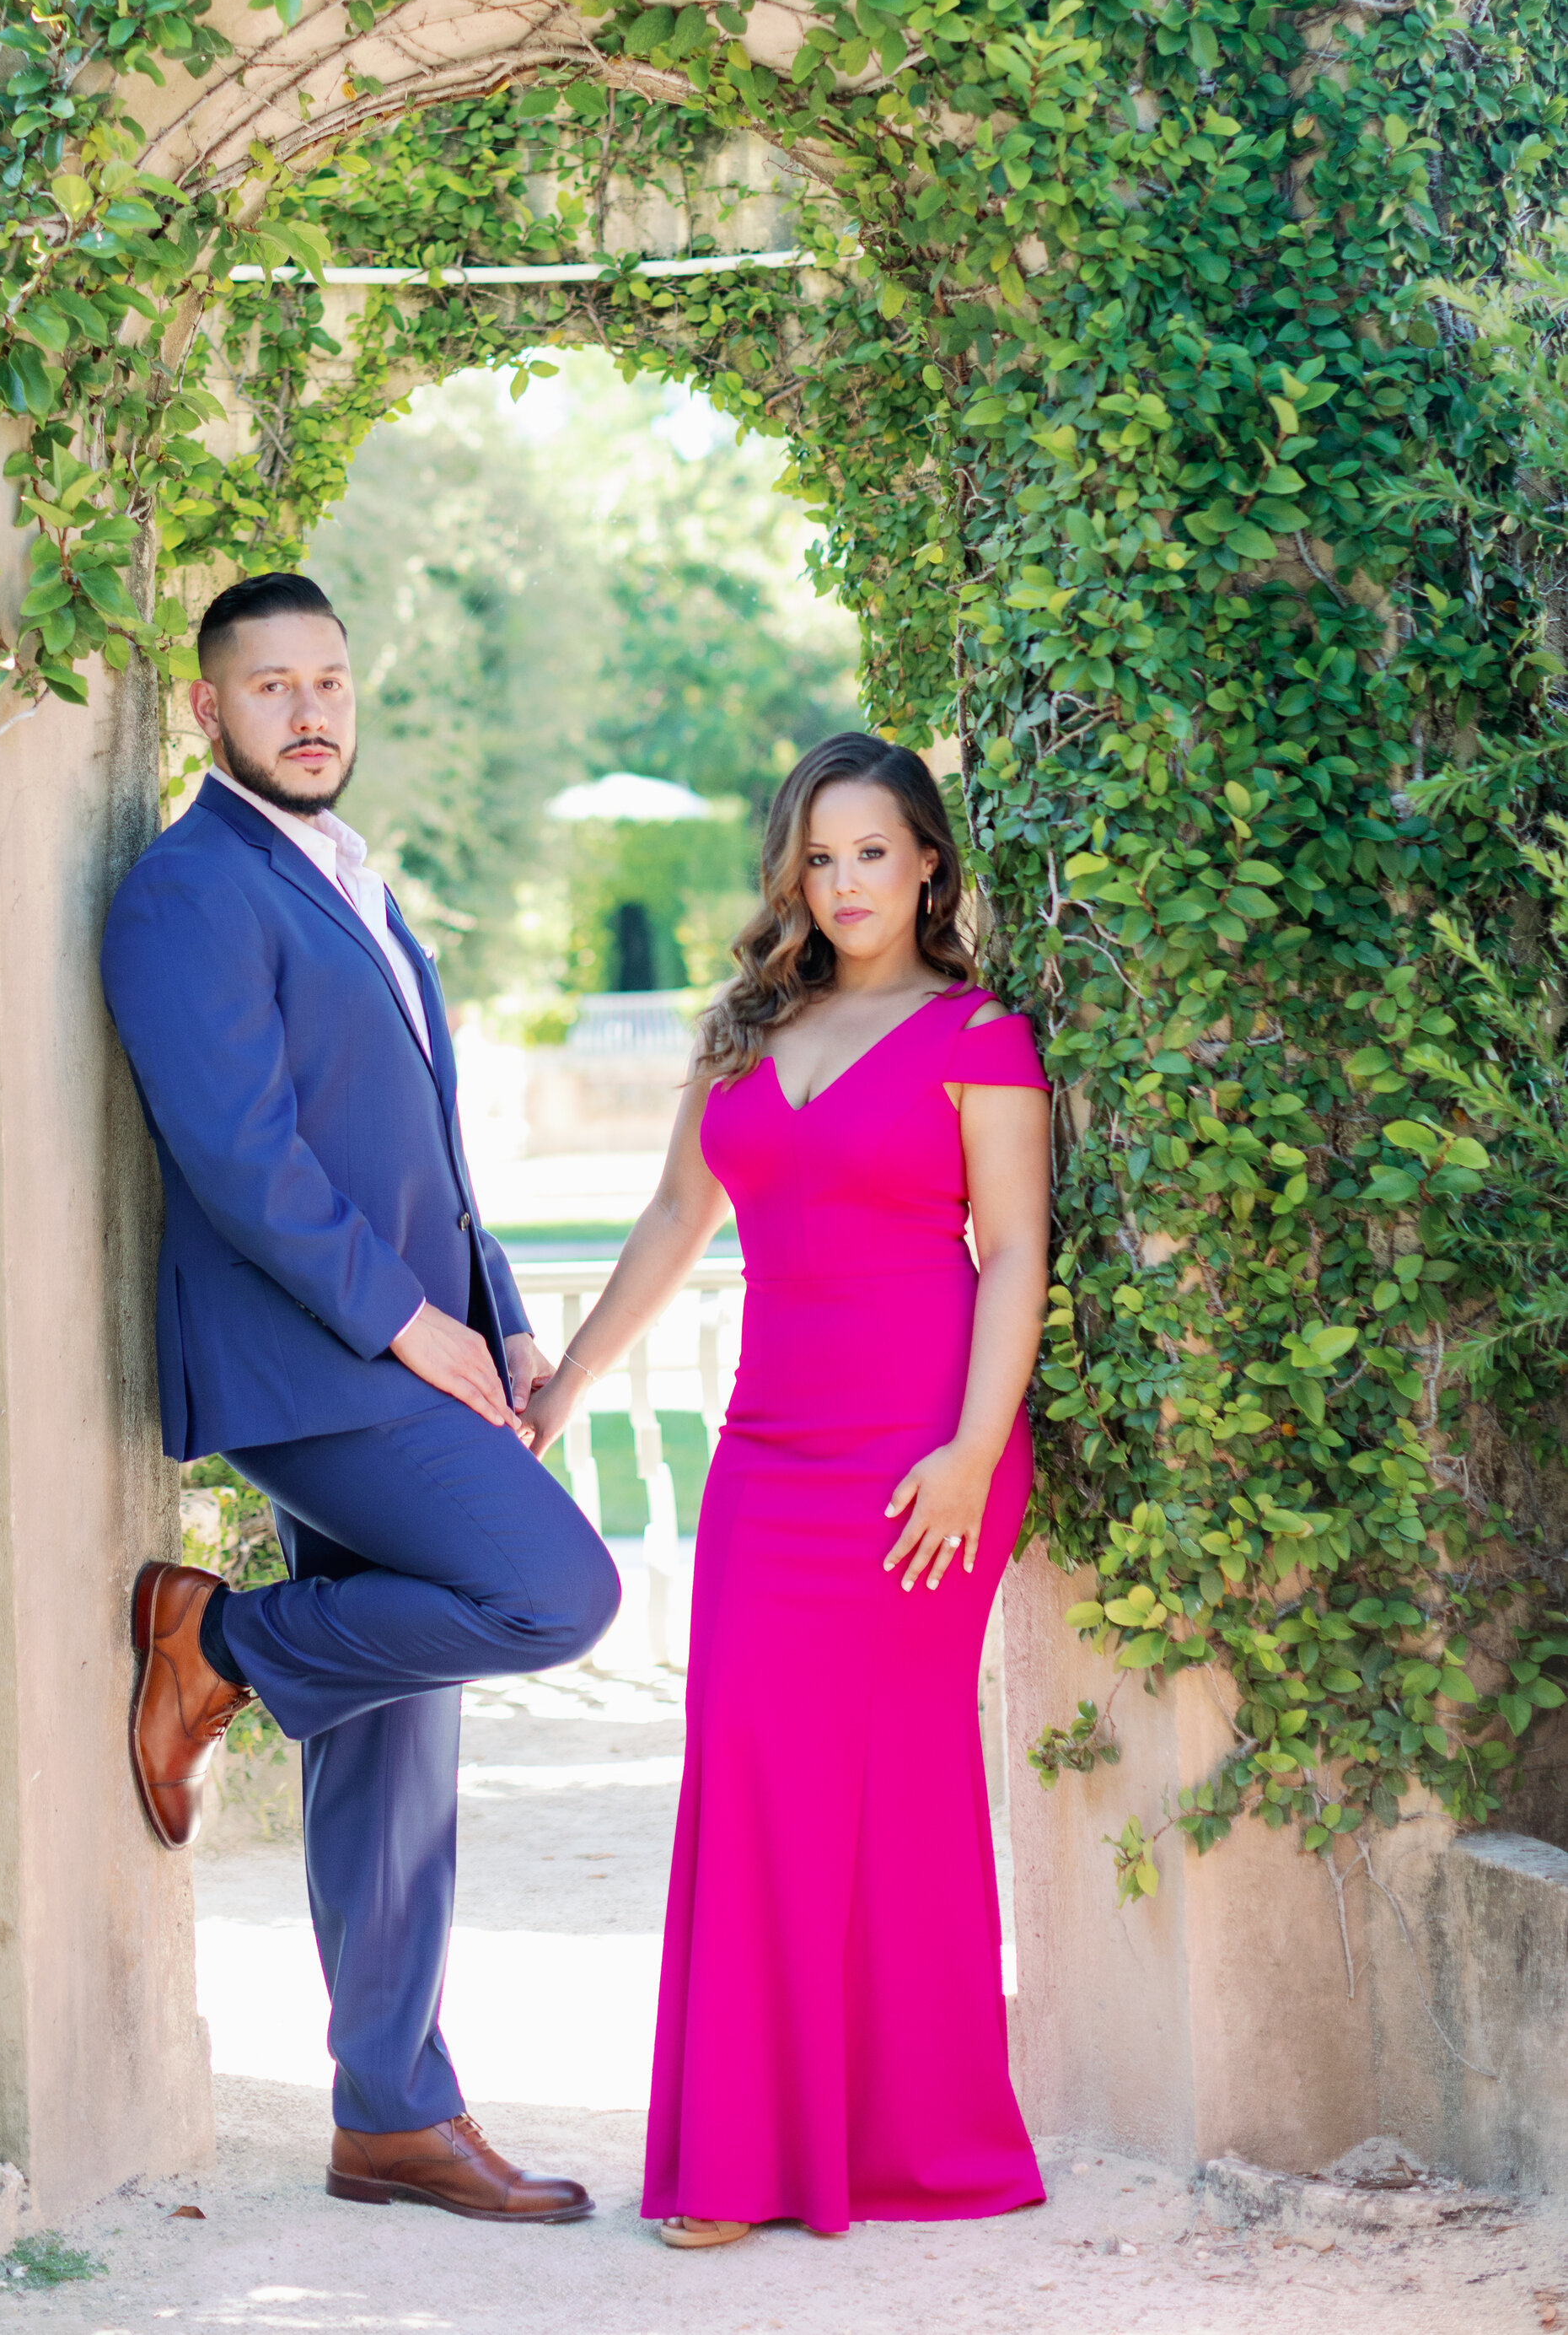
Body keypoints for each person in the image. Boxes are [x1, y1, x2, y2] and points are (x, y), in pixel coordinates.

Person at [100, 569, 619, 2225]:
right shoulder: (187, 890)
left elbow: (430, 1157)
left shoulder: (348, 879)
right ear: (209, 710)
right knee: (547, 1590)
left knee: (396, 1738)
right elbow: (241, 1160)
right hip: (305, 1365)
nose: (309, 711)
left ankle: (389, 2115)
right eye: (271, 688)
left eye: (328, 681)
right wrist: (412, 1331)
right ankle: (218, 1650)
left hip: (404, 1342)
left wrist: (503, 1320)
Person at [524, 731, 1052, 2246]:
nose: (844, 883)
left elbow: (1012, 1249)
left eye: (873, 852)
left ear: (929, 859)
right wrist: (562, 1389)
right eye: (819, 858)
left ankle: (917, 2143)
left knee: (899, 1785)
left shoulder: (982, 1033)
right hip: (769, 1453)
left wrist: (968, 1447)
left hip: (922, 1452)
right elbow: (678, 1215)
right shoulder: (746, 1029)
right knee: (752, 1767)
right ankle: (749, 2154)